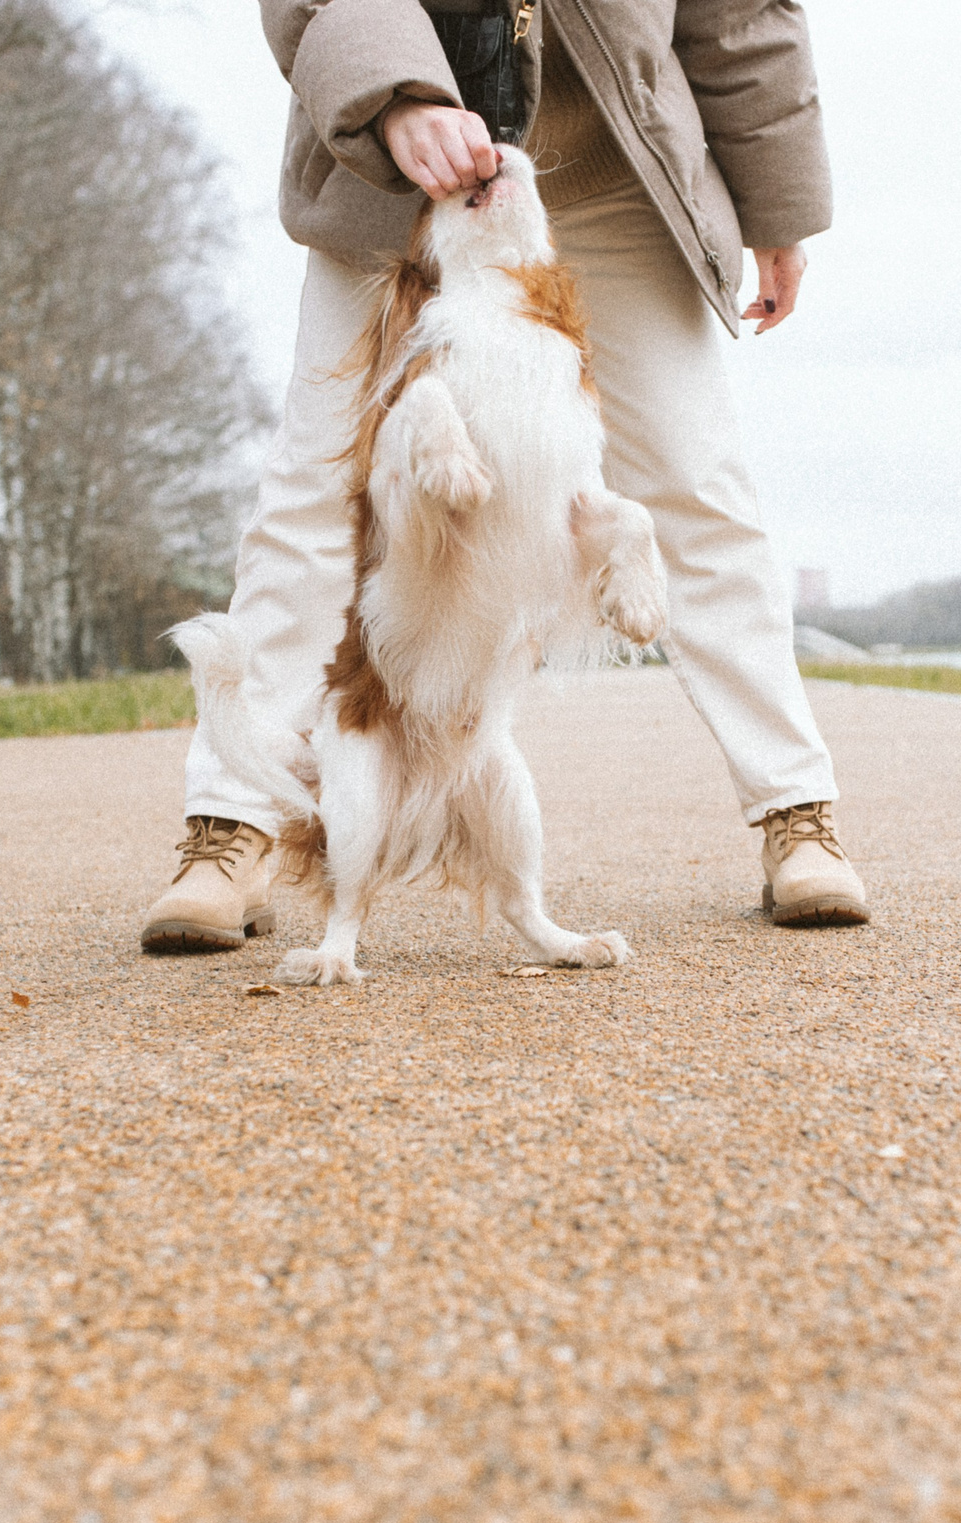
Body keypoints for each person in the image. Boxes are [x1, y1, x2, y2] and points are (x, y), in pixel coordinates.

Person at [141, 0, 869, 953]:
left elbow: (739, 13)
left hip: (623, 167)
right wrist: (395, 98)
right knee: (316, 494)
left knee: (695, 487)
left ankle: (795, 812)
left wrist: (775, 203)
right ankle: (233, 825)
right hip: (395, 167)